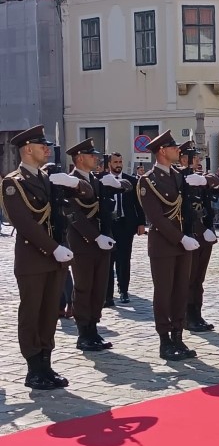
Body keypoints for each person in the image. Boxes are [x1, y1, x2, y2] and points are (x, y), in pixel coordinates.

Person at [1, 125, 87, 389]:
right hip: (33, 258)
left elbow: (87, 194)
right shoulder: (13, 182)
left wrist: (76, 183)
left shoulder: (49, 178)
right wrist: (54, 248)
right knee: (32, 312)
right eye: (42, 146)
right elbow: (24, 223)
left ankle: (47, 364)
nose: (47, 150)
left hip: (54, 259)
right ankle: (33, 369)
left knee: (50, 312)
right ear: (28, 149)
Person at [138, 130, 201, 361]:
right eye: (174, 147)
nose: (178, 151)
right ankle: (164, 340)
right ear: (162, 151)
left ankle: (178, 336)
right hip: (164, 245)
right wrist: (180, 238)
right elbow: (156, 217)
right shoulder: (148, 181)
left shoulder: (178, 177)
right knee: (164, 293)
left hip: (182, 244)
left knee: (180, 291)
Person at [65, 139, 122, 352]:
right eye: (91, 155)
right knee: (84, 287)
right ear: (80, 158)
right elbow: (73, 214)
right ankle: (83, 332)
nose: (96, 159)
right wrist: (94, 236)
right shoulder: (69, 182)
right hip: (82, 243)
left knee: (99, 287)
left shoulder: (95, 181)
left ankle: (93, 327)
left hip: (102, 242)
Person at [177, 141, 219, 332]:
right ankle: (187, 316)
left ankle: (197, 314)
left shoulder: (200, 179)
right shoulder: (178, 179)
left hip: (204, 237)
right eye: (195, 157)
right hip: (191, 235)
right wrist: (202, 230)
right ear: (183, 159)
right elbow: (184, 212)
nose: (198, 161)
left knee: (198, 279)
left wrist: (209, 180)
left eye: (199, 157)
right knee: (188, 279)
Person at [104, 152, 146, 306]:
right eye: (115, 162)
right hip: (109, 224)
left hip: (126, 224)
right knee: (108, 259)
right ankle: (107, 295)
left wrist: (141, 223)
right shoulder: (103, 180)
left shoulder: (131, 181)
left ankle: (123, 290)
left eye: (120, 161)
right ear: (109, 164)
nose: (118, 164)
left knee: (124, 258)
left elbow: (138, 204)